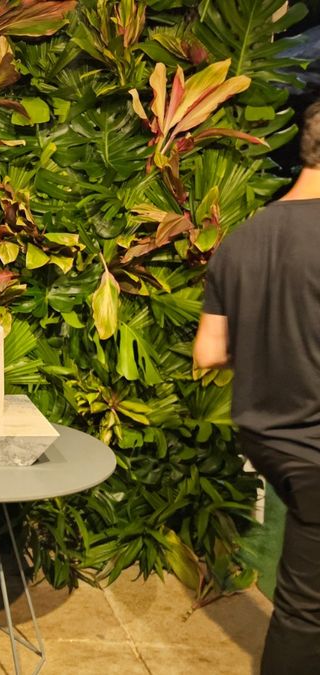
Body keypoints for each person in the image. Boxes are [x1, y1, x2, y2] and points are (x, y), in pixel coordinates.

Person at [194, 100, 320, 674]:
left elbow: (209, 352)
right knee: (304, 611)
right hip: (314, 448)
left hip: (267, 439)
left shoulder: (241, 239)